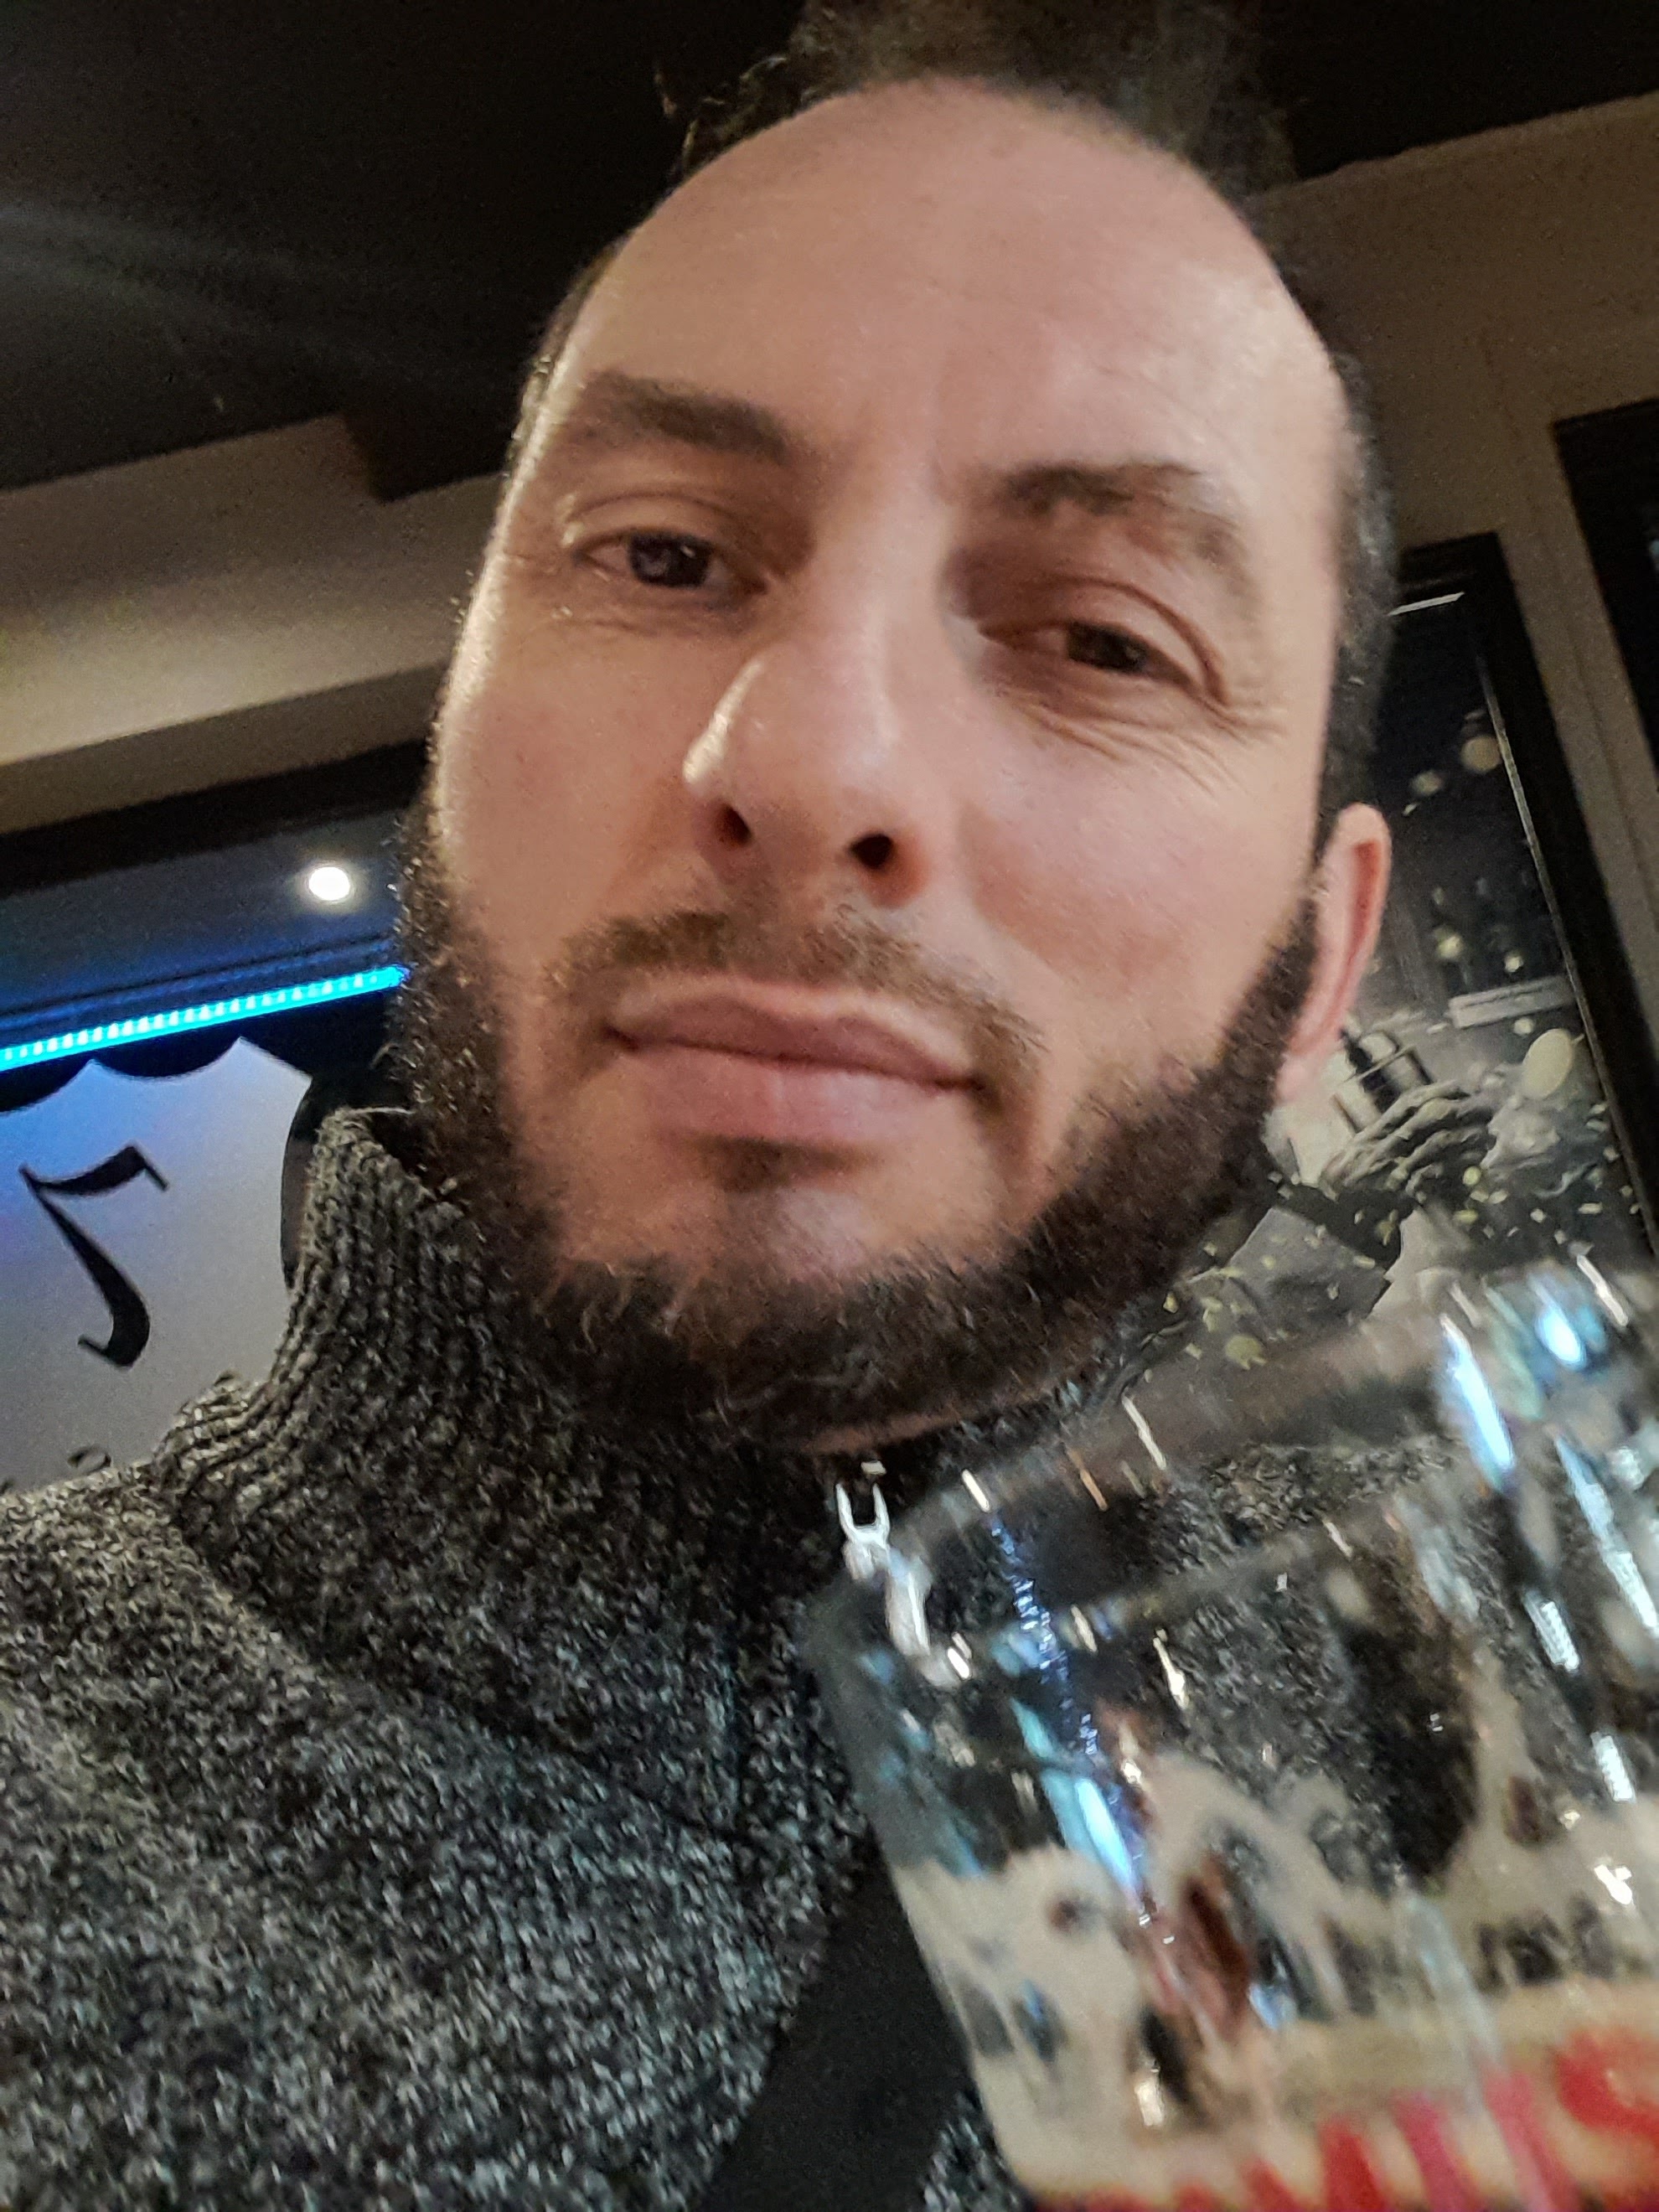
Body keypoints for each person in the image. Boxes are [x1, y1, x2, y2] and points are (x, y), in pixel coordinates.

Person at [0, 2, 1398, 2204]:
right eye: (663, 556)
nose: (810, 762)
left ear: (1319, 963)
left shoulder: (1490, 1712)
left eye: (1103, 639)